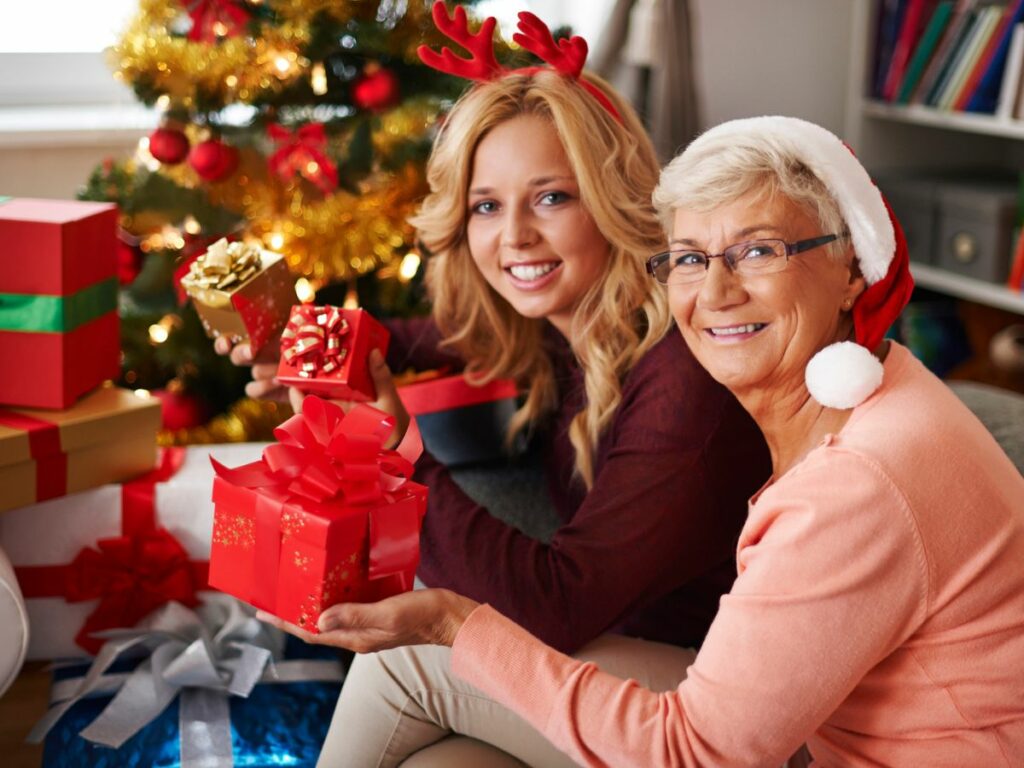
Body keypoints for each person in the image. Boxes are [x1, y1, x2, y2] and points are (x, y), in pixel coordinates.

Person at [261, 115, 1024, 767]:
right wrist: (333, 344)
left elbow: (695, 751)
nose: (716, 292)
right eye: (691, 257)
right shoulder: (876, 384)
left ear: (851, 270)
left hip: (792, 748)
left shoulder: (857, 476)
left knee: (410, 665)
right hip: (789, 719)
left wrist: (449, 617)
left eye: (759, 251)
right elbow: (471, 334)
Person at [225, 6, 769, 765]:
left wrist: (396, 447)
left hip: (726, 704)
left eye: (551, 197)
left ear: (614, 201)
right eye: (487, 206)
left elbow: (558, 605)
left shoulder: (684, 379)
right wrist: (292, 340)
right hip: (630, 664)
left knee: (407, 660)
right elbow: (406, 340)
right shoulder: (566, 322)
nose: (513, 236)